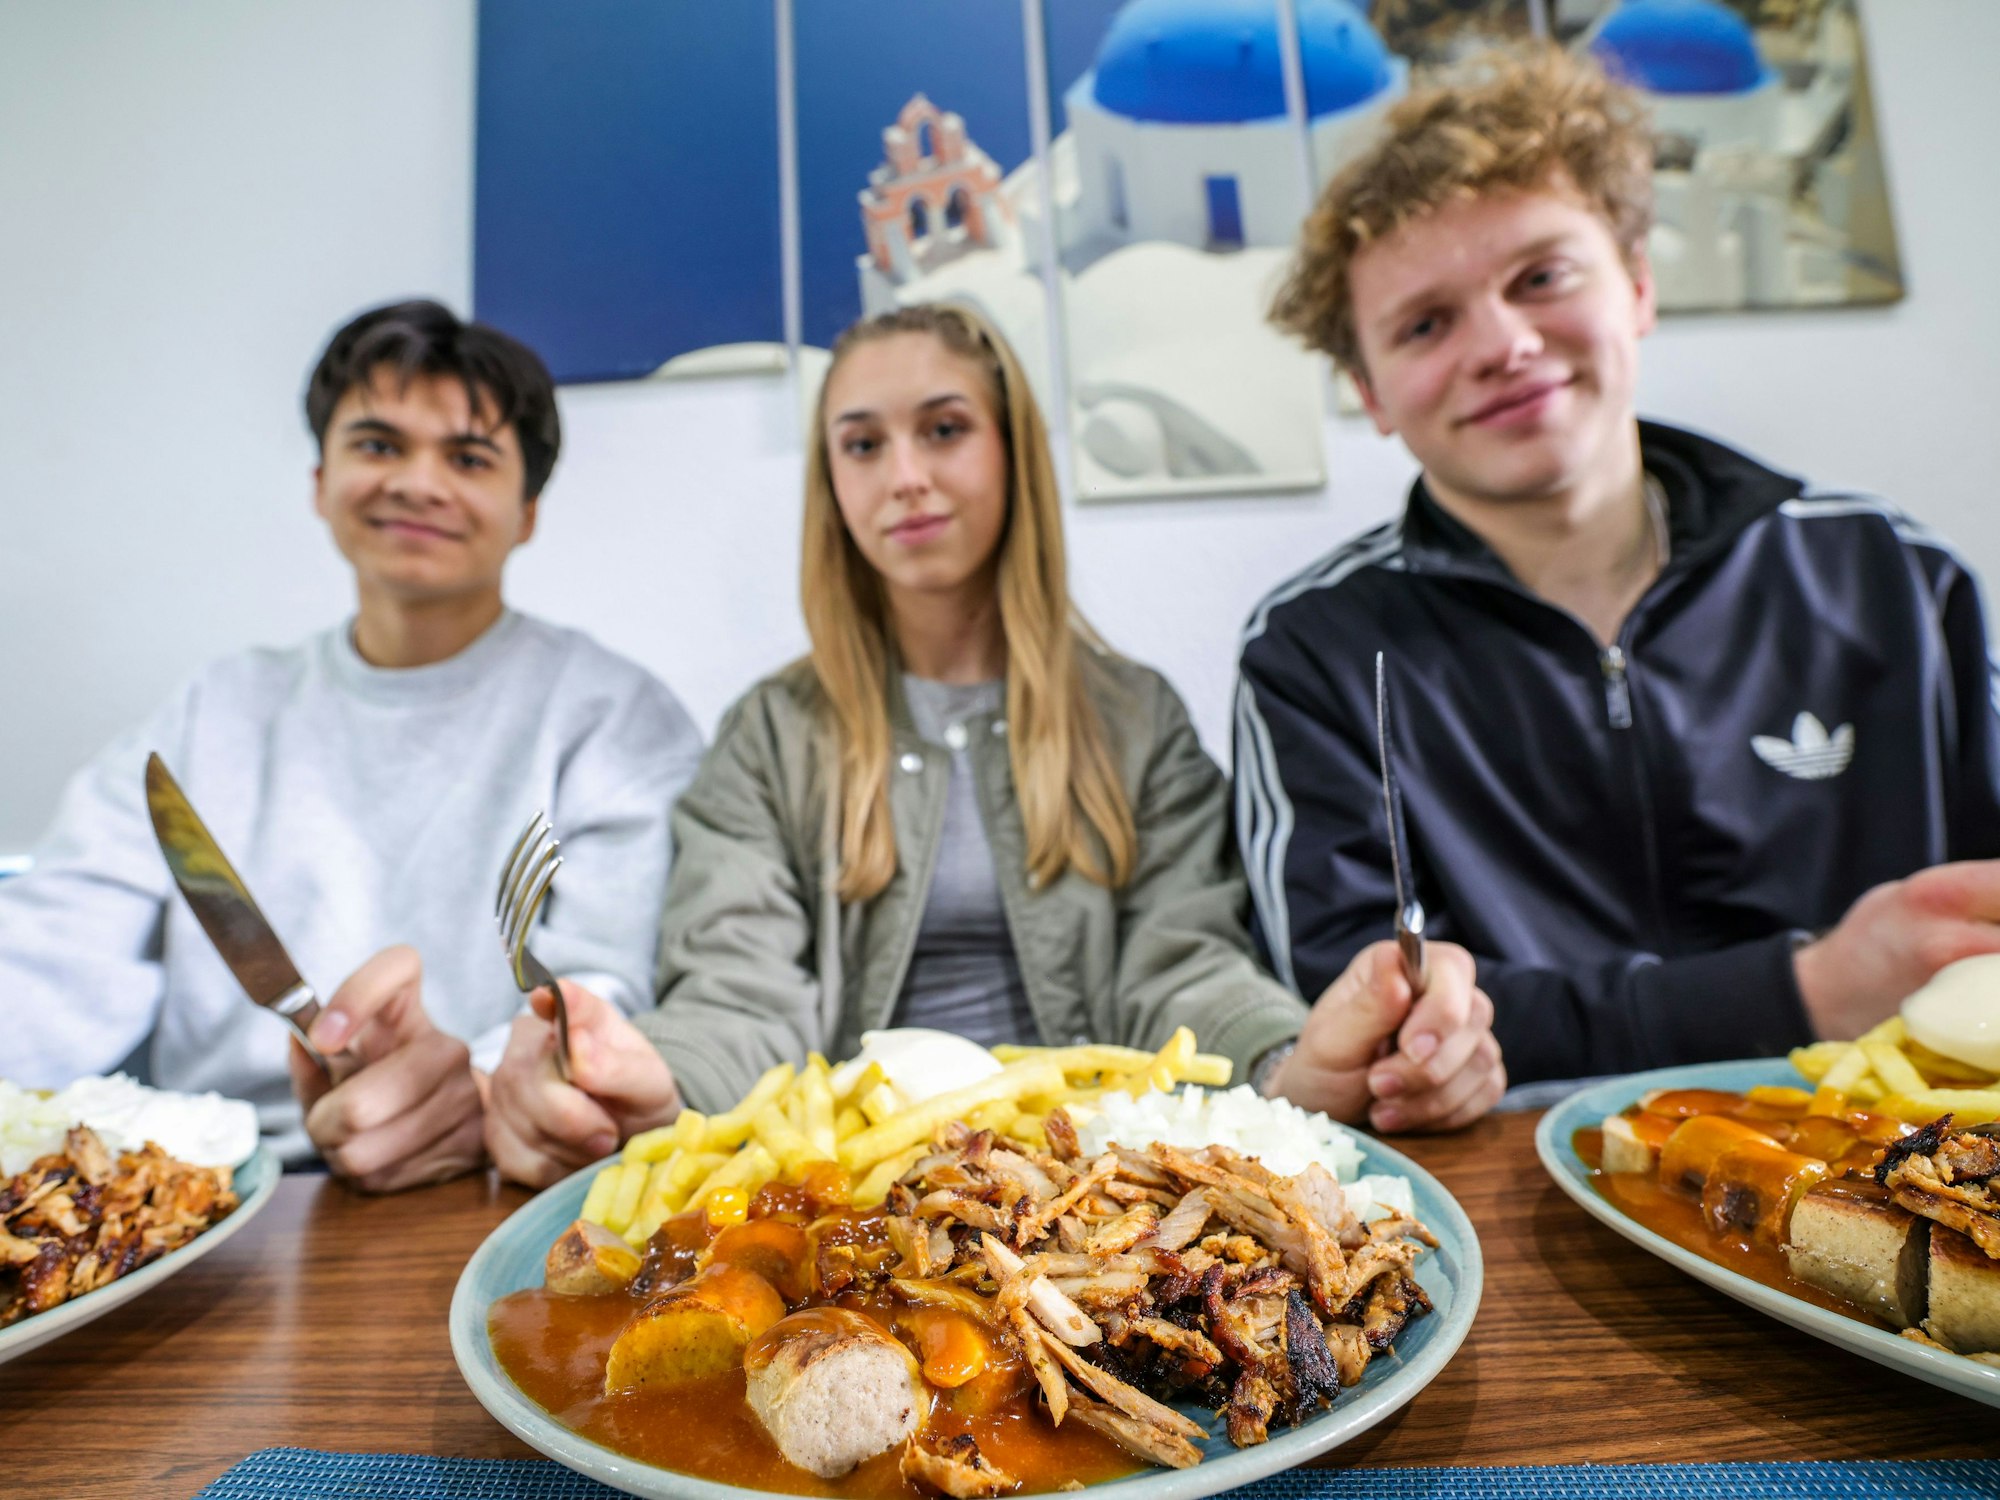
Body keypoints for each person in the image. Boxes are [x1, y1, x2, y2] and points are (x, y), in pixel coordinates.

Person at [482, 303, 1505, 1186]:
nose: (905, 476)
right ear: (829, 482)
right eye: (862, 444)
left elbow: (1185, 966)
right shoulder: (767, 736)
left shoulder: (1134, 717)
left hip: (1098, 1182)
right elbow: (738, 992)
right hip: (857, 1189)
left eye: (943, 429)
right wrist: (643, 1077)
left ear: (1012, 450)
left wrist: (1289, 1058)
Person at [1236, 47, 2000, 1100]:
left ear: (1636, 283)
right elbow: (1361, 1019)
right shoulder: (1311, 651)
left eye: (1540, 278)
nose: (1501, 343)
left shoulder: (1897, 579)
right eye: (1424, 324)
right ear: (1368, 392)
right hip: (1512, 1196)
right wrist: (1808, 987)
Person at [0, 300, 705, 1189]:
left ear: (526, 511)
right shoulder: (211, 712)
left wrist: (478, 1090)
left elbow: (606, 982)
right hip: (203, 1183)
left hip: (497, 1177)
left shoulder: (615, 716)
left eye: (468, 457)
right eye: (378, 445)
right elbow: (58, 947)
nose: (417, 482)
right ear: (319, 480)